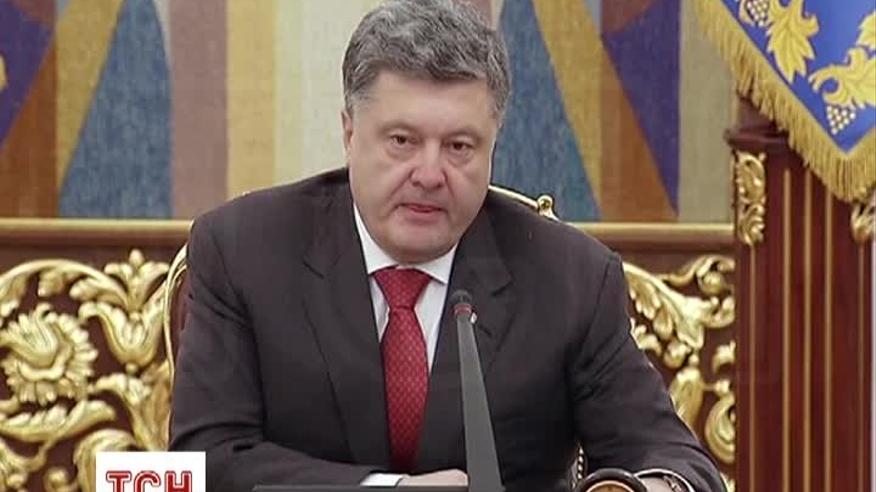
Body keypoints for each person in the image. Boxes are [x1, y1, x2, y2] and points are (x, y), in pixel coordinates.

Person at [169, 1, 725, 491]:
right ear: (349, 133)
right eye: (402, 141)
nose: (430, 174)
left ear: (492, 147)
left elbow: (675, 461)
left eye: (459, 146)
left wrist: (648, 487)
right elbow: (207, 460)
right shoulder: (245, 251)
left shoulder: (571, 277)